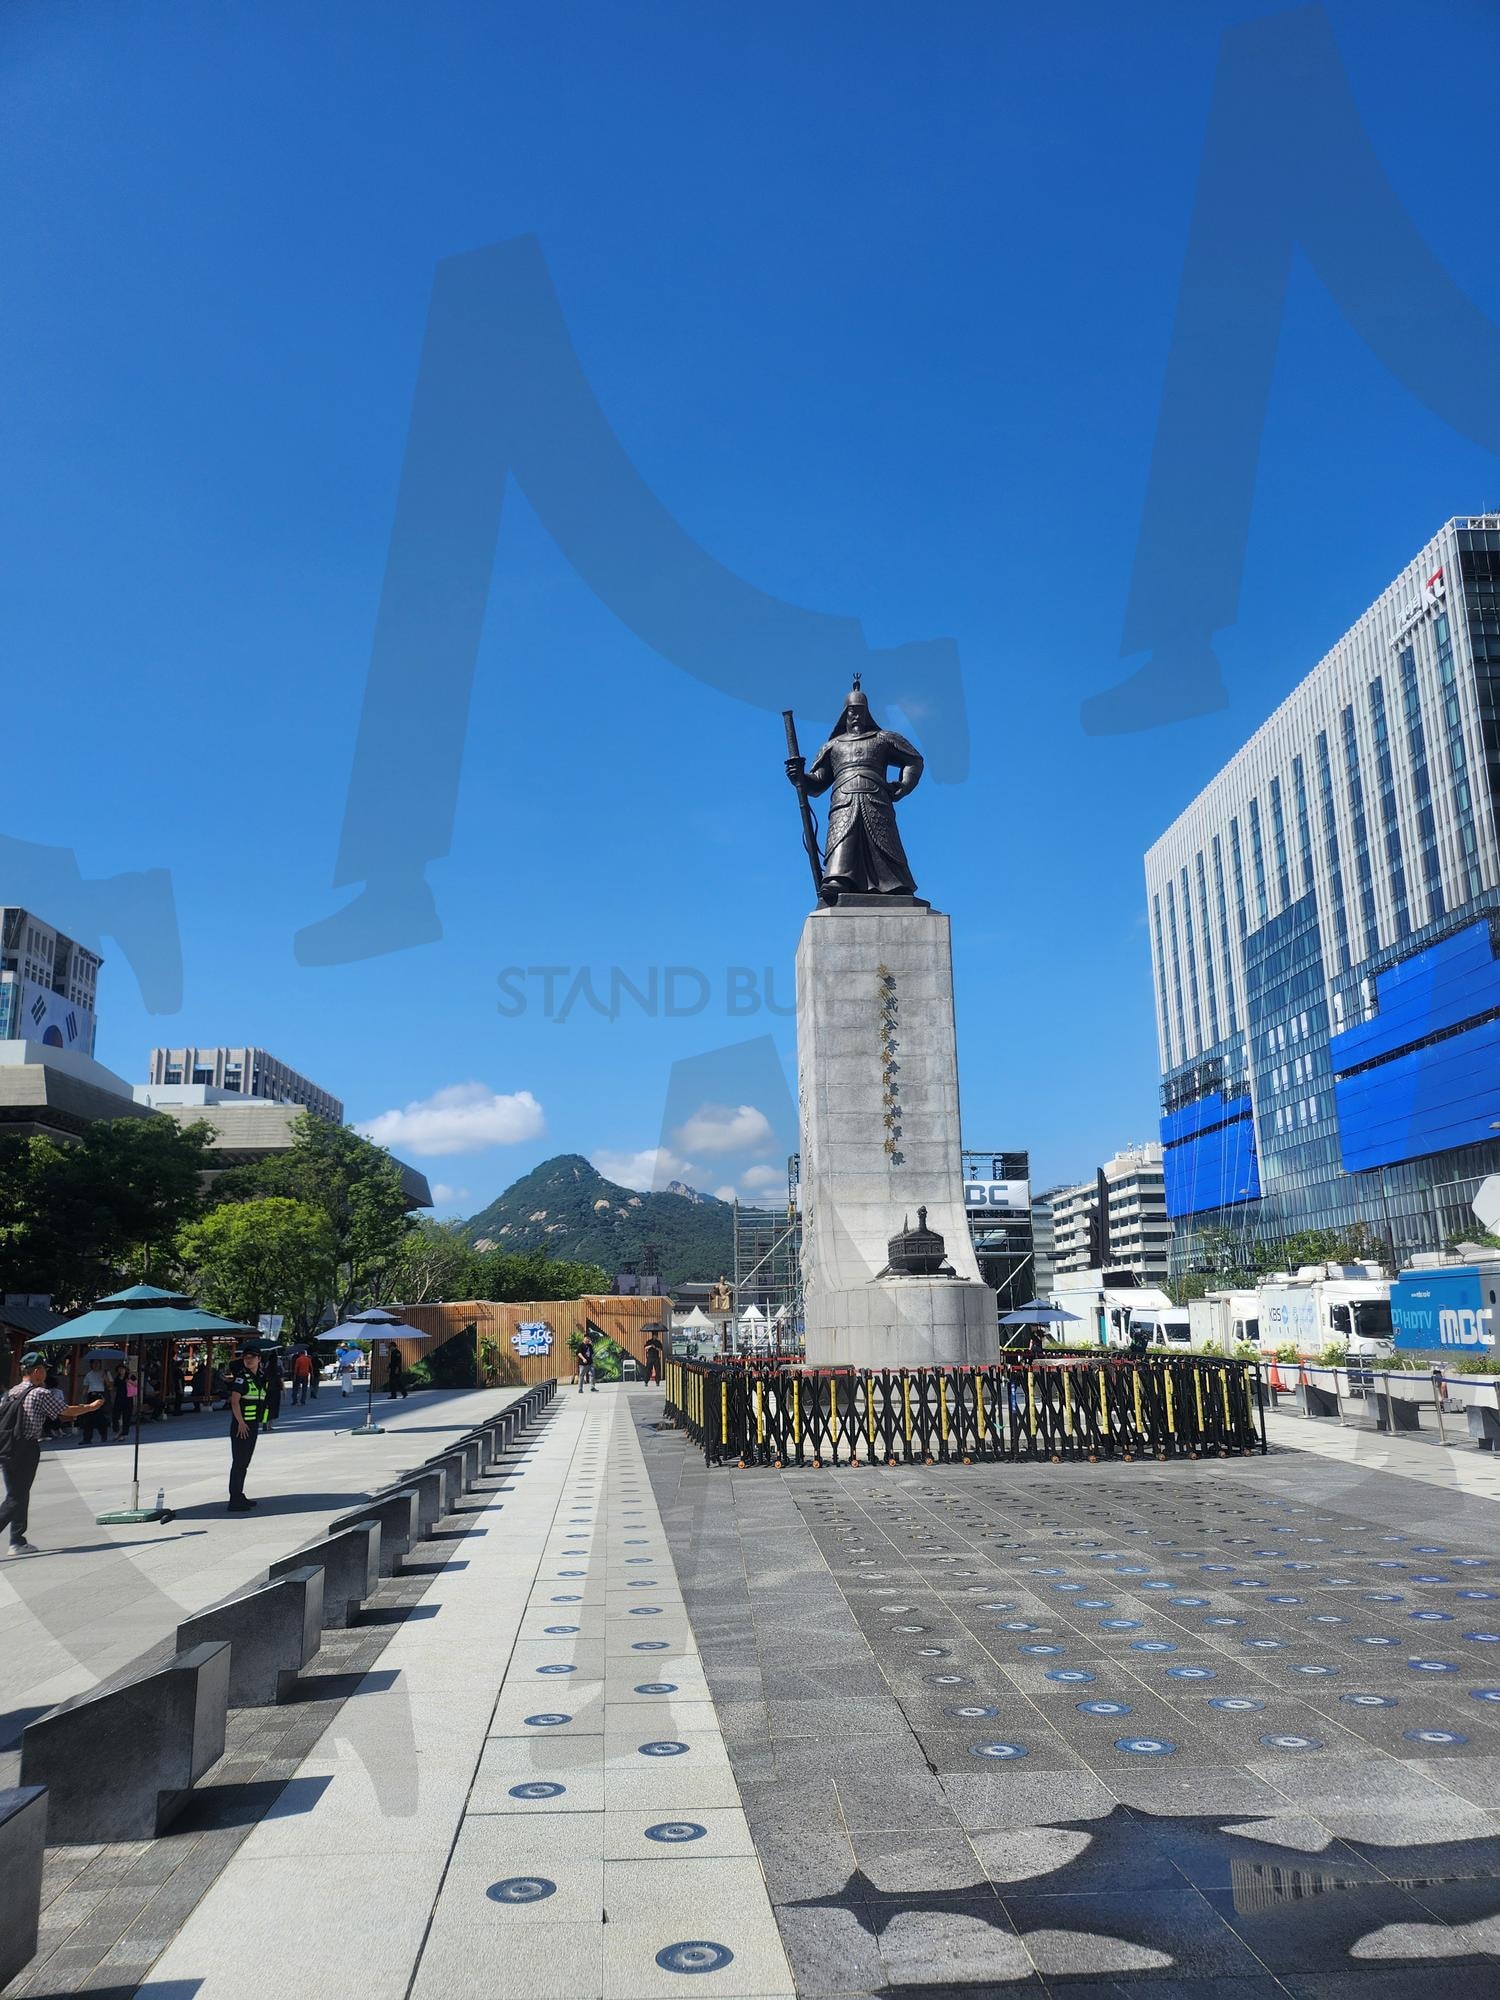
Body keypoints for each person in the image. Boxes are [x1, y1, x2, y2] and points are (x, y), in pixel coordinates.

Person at [0, 1351, 106, 1556]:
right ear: (37, 1371)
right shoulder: (40, 1393)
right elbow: (66, 1411)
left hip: (6, 1447)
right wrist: (90, 1407)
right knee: (16, 1496)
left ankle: (17, 1540)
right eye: (44, 1370)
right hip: (26, 1448)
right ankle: (16, 1540)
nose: (46, 1374)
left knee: (18, 1493)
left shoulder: (11, 1392)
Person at [225, 1346, 268, 1513]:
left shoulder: (261, 1377)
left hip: (252, 1424)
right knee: (239, 1462)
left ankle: (239, 1494)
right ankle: (234, 1499)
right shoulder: (242, 1378)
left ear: (259, 1359)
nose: (248, 1360)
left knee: (245, 1462)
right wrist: (240, 1422)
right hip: (241, 1426)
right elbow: (234, 1401)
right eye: (245, 1358)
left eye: (252, 1357)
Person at [80, 1360, 111, 1443]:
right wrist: (82, 1397)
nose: (96, 1365)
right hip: (91, 1395)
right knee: (88, 1418)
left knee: (100, 1416)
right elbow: (86, 1387)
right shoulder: (88, 1374)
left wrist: (106, 1378)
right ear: (91, 1365)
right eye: (94, 1363)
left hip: (100, 1395)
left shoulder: (104, 1373)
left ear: (100, 1364)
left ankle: (103, 1435)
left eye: (98, 1363)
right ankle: (87, 1438)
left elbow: (110, 1386)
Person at [263, 1347, 284, 1431]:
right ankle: (270, 1425)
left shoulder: (266, 1370)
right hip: (276, 1390)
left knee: (266, 1407)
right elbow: (281, 1380)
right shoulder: (278, 1369)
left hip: (267, 1390)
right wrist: (284, 1390)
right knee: (274, 1407)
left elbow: (263, 1380)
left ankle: (264, 1421)